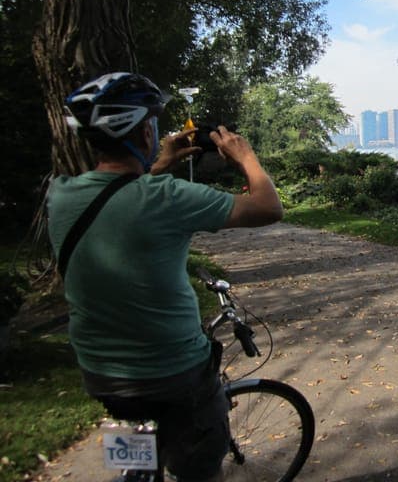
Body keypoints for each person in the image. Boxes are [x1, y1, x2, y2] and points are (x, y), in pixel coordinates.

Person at [46, 72, 283, 482]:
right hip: (174, 374)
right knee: (200, 469)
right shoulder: (168, 197)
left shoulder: (61, 194)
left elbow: (119, 197)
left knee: (143, 462)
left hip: (101, 373)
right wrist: (245, 157)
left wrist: (156, 163)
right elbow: (268, 207)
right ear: (144, 133)